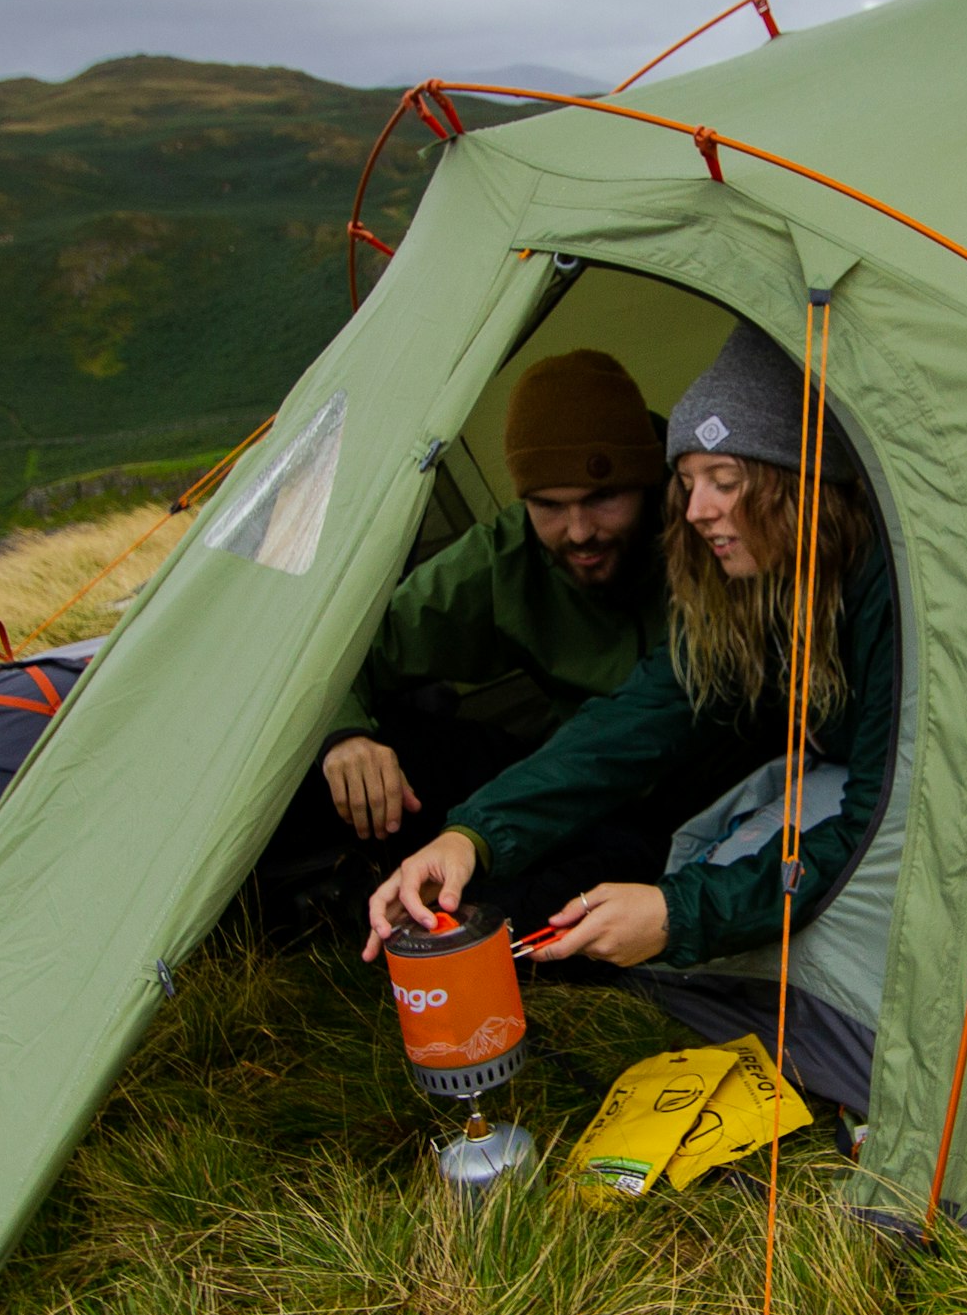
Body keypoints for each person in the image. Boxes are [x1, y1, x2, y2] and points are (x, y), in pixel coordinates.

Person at [364, 322, 900, 1106]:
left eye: (725, 479)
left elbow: (879, 819)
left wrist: (675, 917)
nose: (696, 512)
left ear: (797, 481)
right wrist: (470, 833)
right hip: (814, 785)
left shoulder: (885, 593)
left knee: (746, 888)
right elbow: (627, 728)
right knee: (706, 858)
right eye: (690, 483)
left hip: (899, 816)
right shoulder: (750, 589)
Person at [254, 348, 690, 925]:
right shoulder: (508, 559)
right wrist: (345, 737)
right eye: (549, 506)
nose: (580, 532)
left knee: (549, 897)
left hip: (680, 809)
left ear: (647, 481)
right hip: (562, 783)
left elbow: (629, 737)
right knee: (396, 742)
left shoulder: (712, 538)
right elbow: (346, 647)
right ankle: (294, 895)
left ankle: (417, 918)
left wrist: (476, 832)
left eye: (603, 499)